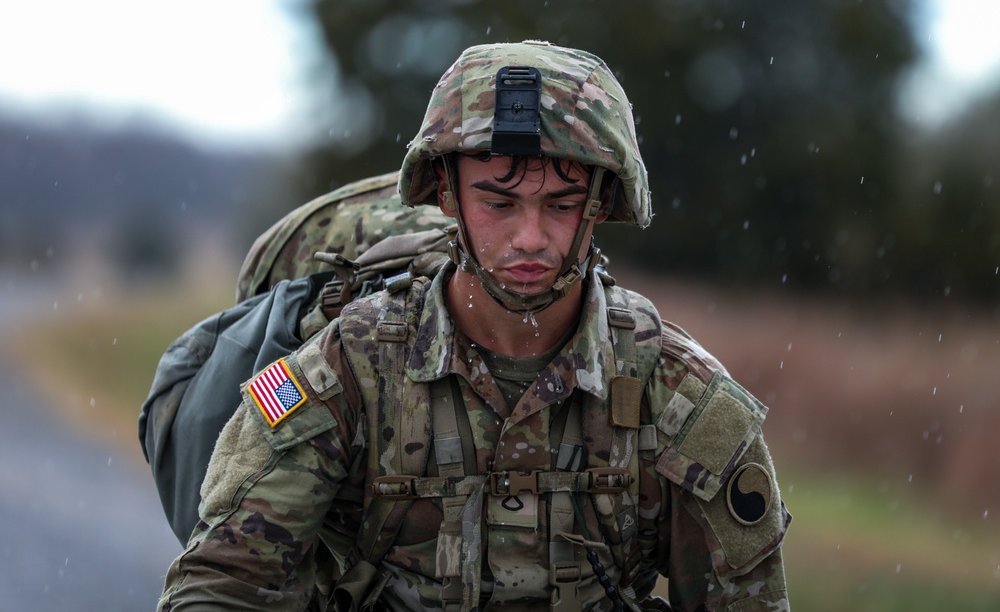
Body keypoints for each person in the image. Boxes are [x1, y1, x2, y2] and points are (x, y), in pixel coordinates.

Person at [158, 40, 791, 611]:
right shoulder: (345, 372)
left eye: (563, 205)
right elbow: (219, 586)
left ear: (600, 205)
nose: (530, 239)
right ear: (446, 194)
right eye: (498, 202)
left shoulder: (680, 398)